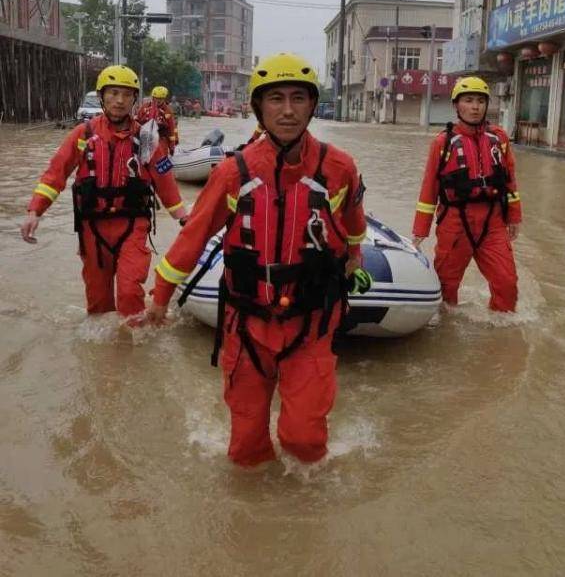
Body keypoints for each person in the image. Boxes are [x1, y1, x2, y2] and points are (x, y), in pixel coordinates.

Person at [146, 53, 371, 467]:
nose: (288, 110)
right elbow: (193, 237)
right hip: (247, 321)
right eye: (276, 99)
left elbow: (354, 223)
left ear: (312, 105)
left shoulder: (340, 167)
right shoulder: (233, 172)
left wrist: (355, 257)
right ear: (259, 108)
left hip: (312, 321)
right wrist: (160, 296)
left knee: (305, 440)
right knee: (246, 448)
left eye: (298, 98)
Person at [20, 66, 188, 322]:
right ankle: (104, 346)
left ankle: (132, 343)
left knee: (130, 293)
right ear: (102, 96)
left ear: (134, 99)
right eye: (113, 93)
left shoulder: (147, 138)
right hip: (92, 229)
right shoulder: (83, 135)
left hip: (132, 225)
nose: (120, 100)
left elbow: (165, 181)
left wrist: (184, 217)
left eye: (127, 94)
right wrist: (35, 210)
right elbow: (55, 174)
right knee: (98, 304)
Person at [411, 76, 522, 313]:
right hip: (455, 222)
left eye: (480, 101)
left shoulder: (499, 139)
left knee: (507, 284)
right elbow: (429, 188)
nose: (475, 107)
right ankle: (447, 328)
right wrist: (421, 230)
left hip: (492, 222)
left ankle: (501, 330)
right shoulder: (443, 143)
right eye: (469, 100)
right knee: (446, 287)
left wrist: (514, 217)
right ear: (456, 105)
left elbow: (509, 181)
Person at [136, 85, 179, 156]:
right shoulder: (145, 107)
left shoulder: (167, 111)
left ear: (164, 98)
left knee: (161, 156)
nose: (158, 100)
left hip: (161, 138)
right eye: (156, 98)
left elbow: (171, 129)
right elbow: (137, 121)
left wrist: (172, 146)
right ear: (153, 97)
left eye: (161, 98)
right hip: (145, 137)